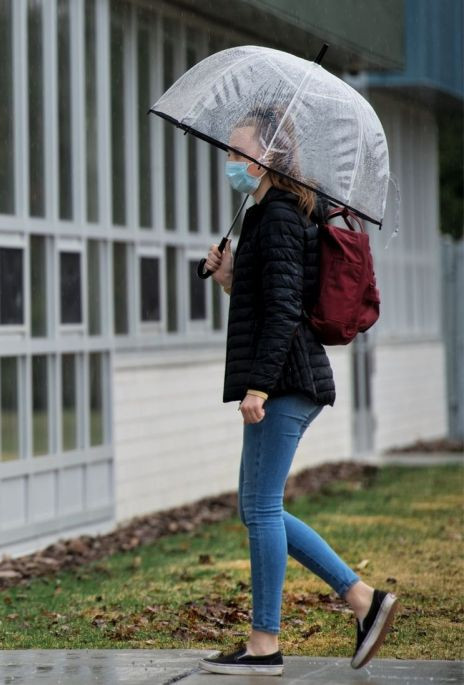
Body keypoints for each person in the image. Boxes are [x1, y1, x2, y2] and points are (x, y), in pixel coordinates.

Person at [198, 108, 399, 677]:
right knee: (257, 507)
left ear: (266, 158)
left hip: (287, 381)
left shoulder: (282, 215)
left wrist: (258, 386)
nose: (229, 161)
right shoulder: (264, 215)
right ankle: (363, 600)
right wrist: (229, 277)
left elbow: (285, 311)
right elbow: (265, 300)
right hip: (284, 378)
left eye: (236, 152)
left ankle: (266, 643)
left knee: (261, 508)